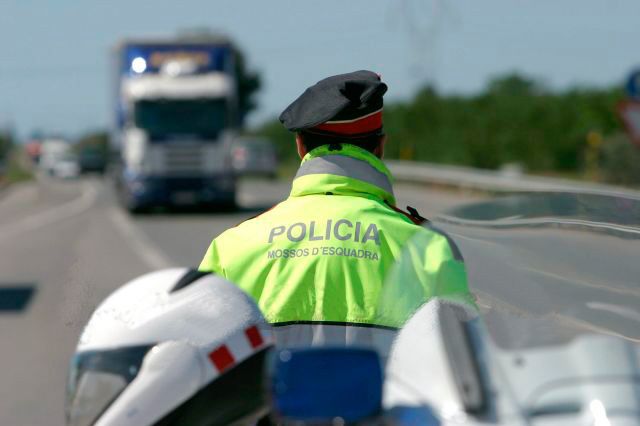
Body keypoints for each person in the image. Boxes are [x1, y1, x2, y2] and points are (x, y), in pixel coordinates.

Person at [199, 70, 473, 348]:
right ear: (380, 146)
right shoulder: (430, 247)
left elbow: (202, 353)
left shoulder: (231, 246)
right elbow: (462, 357)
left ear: (299, 146)